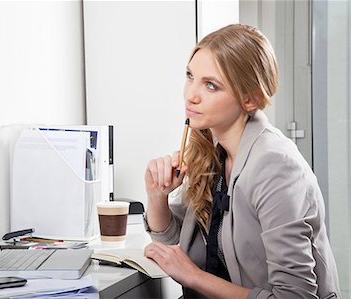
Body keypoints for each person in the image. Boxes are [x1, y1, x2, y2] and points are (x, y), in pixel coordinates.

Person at [143, 24, 341, 299]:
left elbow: (295, 296)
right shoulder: (212, 150)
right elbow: (175, 245)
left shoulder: (275, 166)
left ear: (251, 99)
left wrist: (195, 277)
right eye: (190, 76)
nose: (191, 94)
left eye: (211, 85)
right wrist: (156, 196)